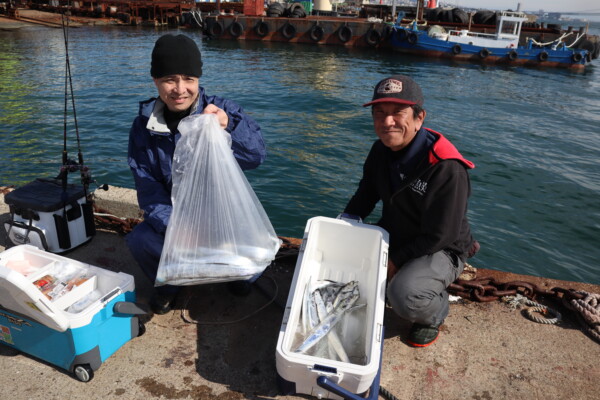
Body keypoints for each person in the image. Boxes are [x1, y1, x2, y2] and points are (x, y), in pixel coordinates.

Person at [126, 34, 267, 314]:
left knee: (252, 253)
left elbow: (256, 157)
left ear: (198, 80)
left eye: (189, 78)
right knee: (140, 240)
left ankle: (238, 275)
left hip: (223, 216)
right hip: (178, 219)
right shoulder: (143, 127)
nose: (180, 89)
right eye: (169, 79)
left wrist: (229, 128)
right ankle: (170, 284)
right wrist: (177, 229)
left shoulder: (221, 111)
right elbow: (148, 187)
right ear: (155, 81)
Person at [343, 75, 479, 347]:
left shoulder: (445, 167)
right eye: (379, 114)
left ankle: (435, 314)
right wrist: (344, 223)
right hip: (397, 233)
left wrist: (395, 261)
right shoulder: (380, 149)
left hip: (442, 247)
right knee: (346, 273)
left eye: (397, 113)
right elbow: (367, 193)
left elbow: (441, 234)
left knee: (404, 295)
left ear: (419, 118)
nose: (387, 122)